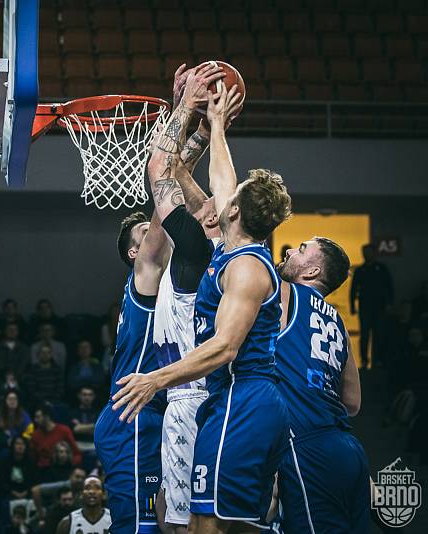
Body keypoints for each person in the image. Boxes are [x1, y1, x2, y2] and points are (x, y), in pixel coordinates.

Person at [113, 83, 293, 532]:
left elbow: (161, 167)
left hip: (223, 393)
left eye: (221, 199)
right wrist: (213, 124)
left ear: (225, 214)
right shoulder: (229, 247)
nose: (211, 196)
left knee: (195, 527)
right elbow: (216, 173)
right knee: (237, 521)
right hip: (224, 395)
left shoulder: (224, 260)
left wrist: (183, 106)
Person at [93, 64, 226, 534]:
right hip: (133, 414)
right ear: (135, 251)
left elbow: (176, 180)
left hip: (166, 404)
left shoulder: (183, 274)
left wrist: (206, 128)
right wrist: (181, 109)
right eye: (147, 233)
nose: (158, 233)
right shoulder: (146, 275)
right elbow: (161, 182)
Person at [275, 238, 369, 532]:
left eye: (301, 249)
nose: (290, 251)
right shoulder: (337, 321)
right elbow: (353, 402)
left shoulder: (285, 295)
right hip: (349, 449)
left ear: (313, 271)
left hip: (307, 445)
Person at [350, 243, 394, 368]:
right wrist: (353, 305)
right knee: (365, 335)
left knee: (378, 334)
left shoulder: (381, 268)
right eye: (365, 253)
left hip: (380, 306)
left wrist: (389, 303)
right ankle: (364, 360)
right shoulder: (360, 270)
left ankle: (377, 360)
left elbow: (389, 286)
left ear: (373, 253)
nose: (367, 255)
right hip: (365, 307)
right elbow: (353, 289)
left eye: (369, 252)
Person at [30, 403, 80, 476]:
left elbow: (77, 454)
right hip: (43, 471)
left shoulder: (64, 430)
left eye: (38, 417)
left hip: (64, 470)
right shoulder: (35, 435)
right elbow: (33, 457)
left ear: (46, 417)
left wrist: (69, 463)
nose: (35, 420)